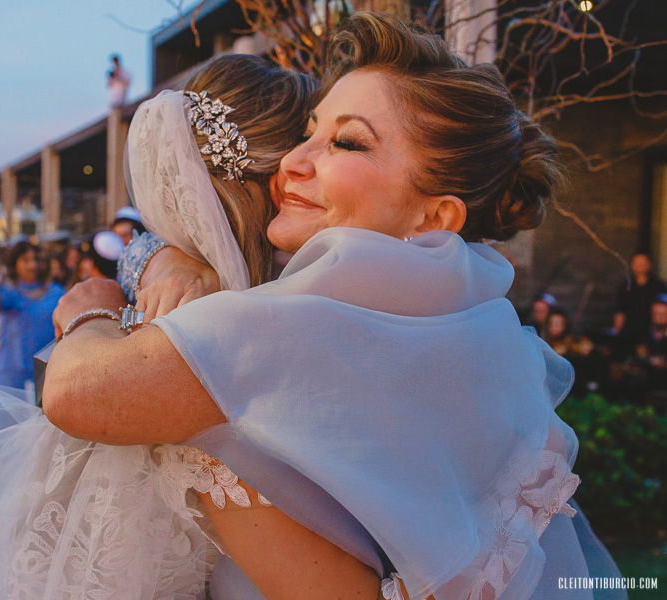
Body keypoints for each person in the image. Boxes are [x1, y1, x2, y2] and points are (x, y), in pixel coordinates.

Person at [44, 14, 624, 600]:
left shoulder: (287, 323)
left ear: (435, 215)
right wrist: (158, 256)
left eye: (347, 142)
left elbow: (75, 393)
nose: (294, 160)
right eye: (309, 132)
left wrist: (89, 313)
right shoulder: (476, 328)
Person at [0, 53, 318, 600]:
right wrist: (144, 265)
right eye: (314, 145)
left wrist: (131, 273)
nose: (318, 164)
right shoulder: (201, 315)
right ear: (275, 179)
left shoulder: (260, 299)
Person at [0, 241, 65, 392]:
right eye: (26, 260)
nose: (33, 265)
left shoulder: (57, 292)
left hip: (49, 367)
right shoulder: (6, 292)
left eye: (36, 260)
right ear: (14, 264)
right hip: (14, 370)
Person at [613, 252, 666, 349]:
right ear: (632, 265)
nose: (640, 266)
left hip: (650, 333)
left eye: (643, 263)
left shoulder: (658, 286)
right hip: (629, 331)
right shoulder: (626, 286)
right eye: (637, 263)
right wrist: (617, 332)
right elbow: (620, 311)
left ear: (649, 265)